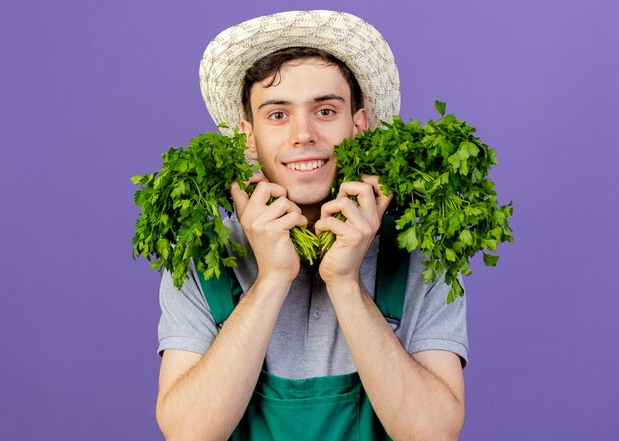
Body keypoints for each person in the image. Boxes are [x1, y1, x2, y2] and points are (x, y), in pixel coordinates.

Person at [155, 10, 468, 441]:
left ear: (358, 126)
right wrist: (271, 279)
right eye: (278, 115)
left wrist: (344, 282)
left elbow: (433, 434)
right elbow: (188, 433)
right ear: (248, 136)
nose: (303, 135)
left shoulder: (421, 249)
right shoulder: (205, 254)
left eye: (324, 110)